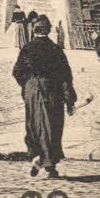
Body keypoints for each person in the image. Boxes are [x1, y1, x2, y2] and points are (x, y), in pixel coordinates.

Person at [13, 15, 76, 179]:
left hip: (33, 90)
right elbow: (65, 75)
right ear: (48, 30)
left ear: (34, 30)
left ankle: (38, 156)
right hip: (52, 89)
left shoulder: (27, 48)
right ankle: (49, 164)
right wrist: (69, 99)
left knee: (35, 124)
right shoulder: (56, 49)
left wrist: (28, 86)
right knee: (53, 126)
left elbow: (17, 72)